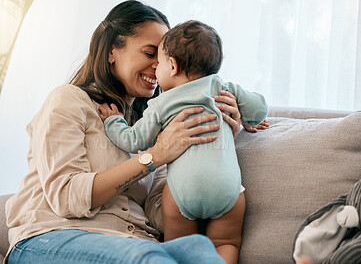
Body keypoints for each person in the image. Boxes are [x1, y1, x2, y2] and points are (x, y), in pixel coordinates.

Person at [4, 0, 267, 264]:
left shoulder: (157, 124)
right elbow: (66, 197)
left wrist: (210, 140)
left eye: (163, 57)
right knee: (146, 256)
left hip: (134, 241)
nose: (159, 65)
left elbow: (161, 214)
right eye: (150, 52)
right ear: (111, 51)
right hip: (53, 237)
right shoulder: (69, 100)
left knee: (198, 250)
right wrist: (154, 156)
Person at [98, 20, 269, 264]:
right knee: (226, 242)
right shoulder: (223, 88)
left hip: (182, 193)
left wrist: (113, 122)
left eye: (159, 62)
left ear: (173, 66)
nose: (155, 68)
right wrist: (248, 116)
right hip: (227, 190)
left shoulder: (160, 104)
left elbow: (133, 140)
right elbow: (260, 107)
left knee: (182, 250)